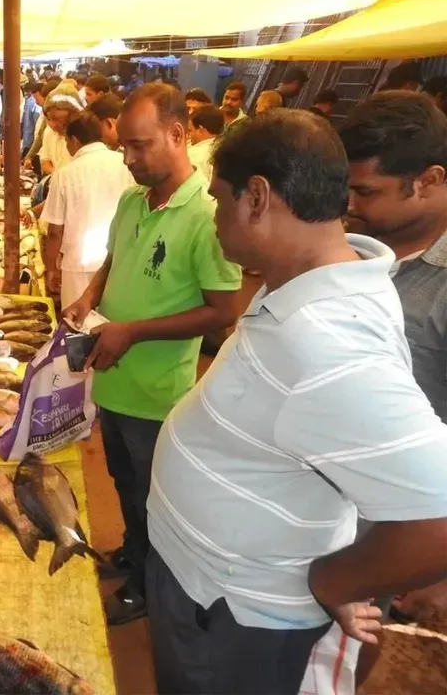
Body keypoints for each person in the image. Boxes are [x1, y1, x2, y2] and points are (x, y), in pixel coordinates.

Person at [145, 106, 447, 694]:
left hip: (237, 615)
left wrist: (335, 583)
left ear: (256, 198)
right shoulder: (306, 283)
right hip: (211, 587)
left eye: (218, 199)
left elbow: (439, 517)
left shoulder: (327, 341)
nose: (213, 219)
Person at [62, 83, 241, 626]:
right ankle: (133, 555)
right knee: (122, 480)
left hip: (158, 394)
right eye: (126, 148)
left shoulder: (207, 214)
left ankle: (146, 586)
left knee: (151, 497)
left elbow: (224, 310)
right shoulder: (132, 200)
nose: (130, 158)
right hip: (112, 381)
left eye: (141, 146)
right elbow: (115, 259)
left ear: (178, 134)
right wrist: (89, 296)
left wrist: (133, 332)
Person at [339, 91, 447, 672]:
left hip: (396, 542)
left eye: (366, 192)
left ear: (428, 180)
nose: (349, 205)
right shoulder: (351, 254)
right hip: (326, 520)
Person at [42, 111, 134, 309]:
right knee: (110, 323)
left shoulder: (65, 174)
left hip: (78, 265)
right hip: (118, 261)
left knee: (78, 328)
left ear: (74, 141)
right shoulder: (125, 164)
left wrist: (51, 269)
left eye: (66, 141)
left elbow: (54, 231)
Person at [40, 80, 83, 176]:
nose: (53, 125)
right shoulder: (49, 132)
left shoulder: (84, 136)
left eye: (56, 119)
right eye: (49, 119)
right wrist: (58, 175)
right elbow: (45, 161)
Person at [187, 104, 224, 181]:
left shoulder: (193, 156)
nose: (189, 135)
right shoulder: (226, 150)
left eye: (190, 130)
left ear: (200, 129)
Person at [22, 80, 44, 154]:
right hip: (32, 140)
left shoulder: (31, 102)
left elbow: (32, 122)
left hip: (32, 141)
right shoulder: (32, 102)